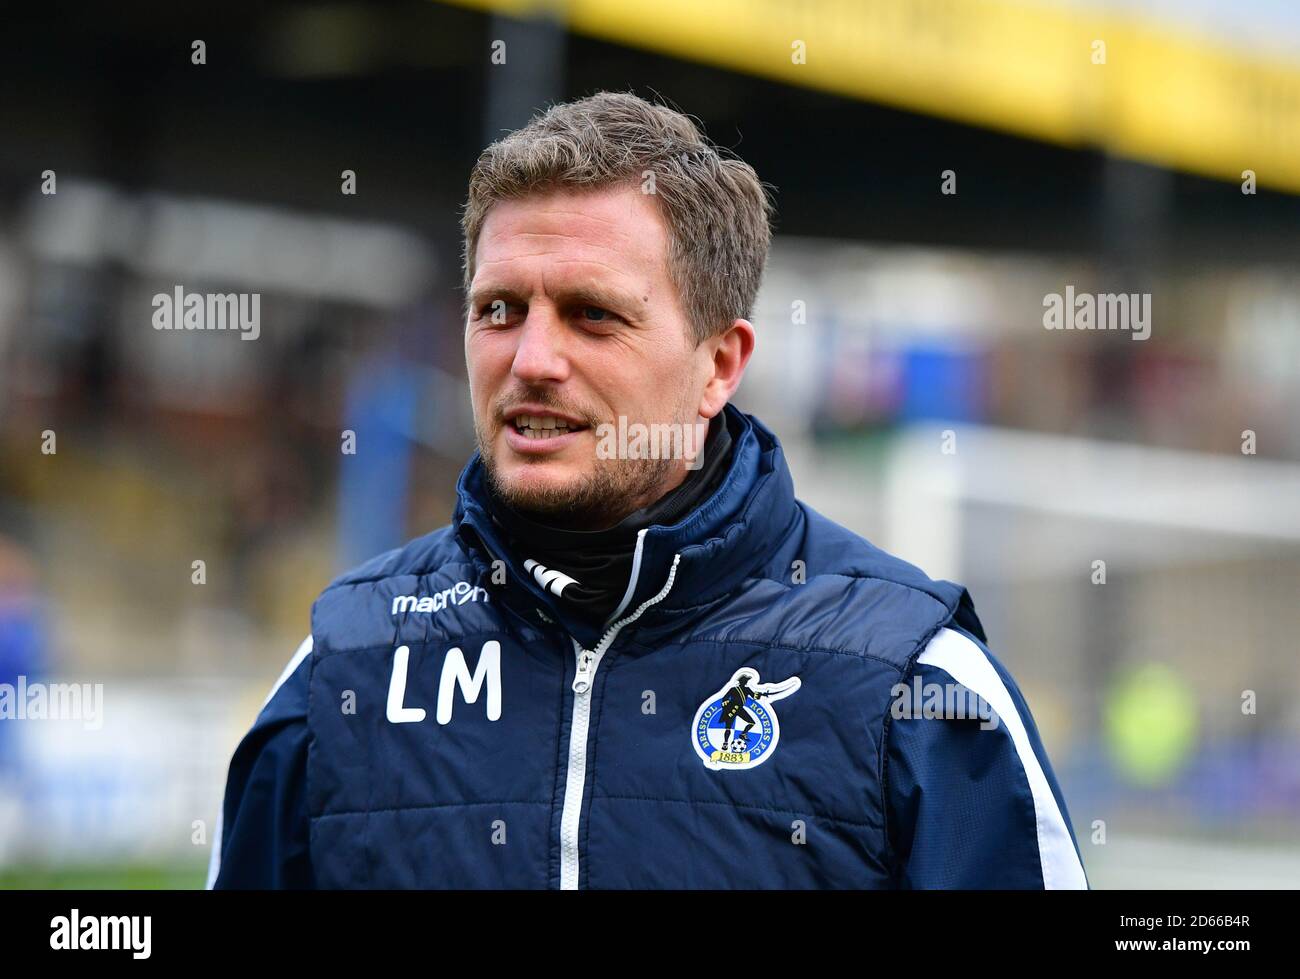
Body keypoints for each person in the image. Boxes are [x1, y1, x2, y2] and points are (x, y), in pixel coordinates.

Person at [208, 91, 1088, 890]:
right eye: (499, 310)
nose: (532, 360)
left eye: (594, 314)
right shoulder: (344, 666)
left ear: (719, 364)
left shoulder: (911, 682)